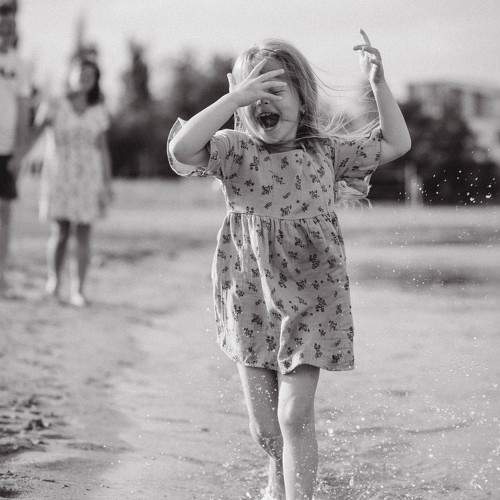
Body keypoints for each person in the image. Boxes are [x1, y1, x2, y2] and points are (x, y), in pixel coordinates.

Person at [168, 31, 410, 500]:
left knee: (294, 415)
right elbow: (181, 149)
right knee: (266, 431)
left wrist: (378, 84)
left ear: (302, 97)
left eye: (274, 89)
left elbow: (396, 143)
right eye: (252, 92)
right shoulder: (234, 150)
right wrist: (232, 99)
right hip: (250, 298)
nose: (262, 101)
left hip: (313, 299)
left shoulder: (326, 150)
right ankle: (276, 477)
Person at [36, 57, 112, 307]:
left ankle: (78, 290)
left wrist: (107, 182)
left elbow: (102, 148)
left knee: (84, 232)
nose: (85, 77)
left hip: (89, 175)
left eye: (91, 74)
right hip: (61, 173)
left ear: (95, 81)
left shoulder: (98, 109)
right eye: (81, 72)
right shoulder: (55, 104)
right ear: (70, 74)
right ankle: (54, 283)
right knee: (60, 231)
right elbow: (35, 133)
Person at [0, 0, 30, 295]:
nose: (5, 31)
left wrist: (20, 151)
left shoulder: (19, 65)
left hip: (6, 149)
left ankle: (1, 274)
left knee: (4, 212)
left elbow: (23, 110)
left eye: (10, 27)